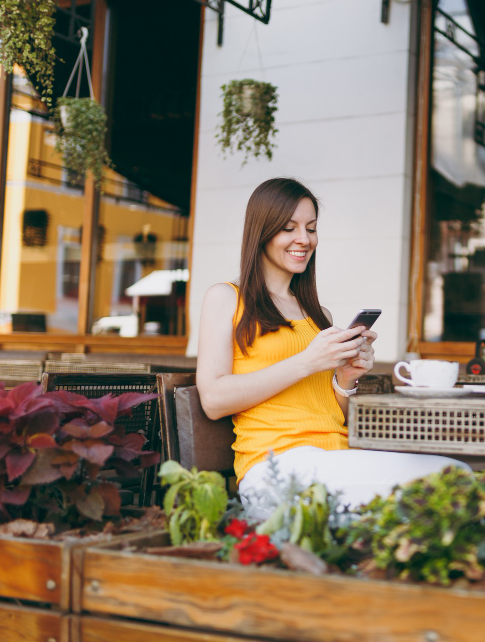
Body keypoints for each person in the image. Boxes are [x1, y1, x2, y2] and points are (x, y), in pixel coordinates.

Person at [196, 178, 466, 517]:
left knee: (456, 475)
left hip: (334, 457)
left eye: (311, 228)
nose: (304, 239)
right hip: (274, 469)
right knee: (451, 479)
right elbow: (213, 400)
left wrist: (345, 378)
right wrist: (307, 361)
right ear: (261, 232)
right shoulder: (226, 298)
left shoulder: (318, 315)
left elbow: (329, 413)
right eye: (288, 228)